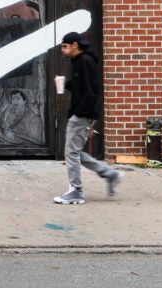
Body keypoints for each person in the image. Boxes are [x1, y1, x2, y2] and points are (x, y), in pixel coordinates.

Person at [54, 31, 123, 204]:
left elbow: (91, 93)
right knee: (74, 151)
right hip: (83, 113)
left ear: (75, 45)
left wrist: (80, 113)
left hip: (82, 114)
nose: (62, 50)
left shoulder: (85, 62)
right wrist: (67, 84)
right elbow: (82, 88)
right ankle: (110, 174)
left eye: (65, 46)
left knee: (71, 152)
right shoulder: (80, 62)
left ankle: (76, 191)